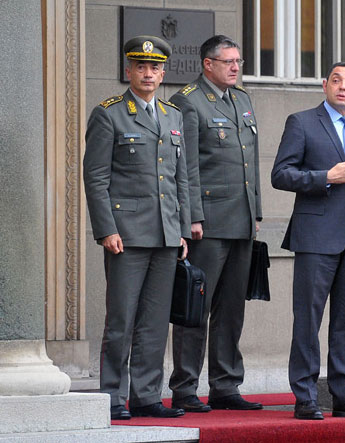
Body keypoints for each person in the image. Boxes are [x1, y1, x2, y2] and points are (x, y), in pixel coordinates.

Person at [272, 62, 345, 420]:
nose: (343, 86)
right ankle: (306, 396)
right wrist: (324, 176)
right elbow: (281, 174)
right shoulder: (302, 122)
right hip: (315, 236)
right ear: (325, 85)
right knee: (308, 320)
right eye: (336, 80)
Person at [83, 35, 190, 420]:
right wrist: (106, 229)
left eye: (155, 68)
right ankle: (113, 395)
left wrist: (181, 228)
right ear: (128, 70)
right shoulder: (109, 114)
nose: (148, 73)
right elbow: (95, 177)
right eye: (141, 66)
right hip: (125, 235)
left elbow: (180, 177)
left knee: (155, 322)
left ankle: (146, 396)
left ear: (163, 73)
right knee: (121, 320)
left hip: (165, 234)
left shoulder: (173, 115)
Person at [167, 35, 262, 412]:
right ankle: (185, 387)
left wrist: (256, 212)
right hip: (207, 223)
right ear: (208, 64)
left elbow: (250, 163)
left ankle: (225, 385)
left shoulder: (242, 99)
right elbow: (186, 166)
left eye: (238, 61)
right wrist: (191, 216)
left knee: (232, 308)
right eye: (228, 62)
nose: (236, 67)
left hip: (240, 220)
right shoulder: (188, 101)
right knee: (195, 308)